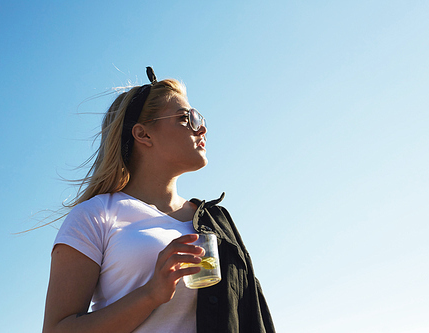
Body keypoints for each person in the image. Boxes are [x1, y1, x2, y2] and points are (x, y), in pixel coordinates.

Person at [42, 67, 275, 333]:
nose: (202, 128)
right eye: (187, 118)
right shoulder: (95, 215)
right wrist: (151, 294)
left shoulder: (217, 222)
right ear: (143, 134)